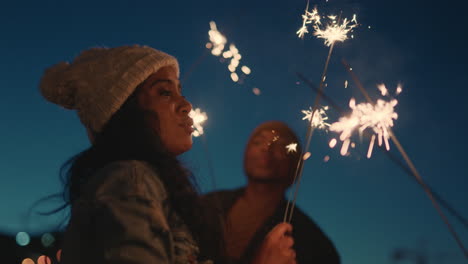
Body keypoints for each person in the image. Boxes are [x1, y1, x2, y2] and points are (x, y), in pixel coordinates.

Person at [39, 45, 296, 264]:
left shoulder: (140, 182)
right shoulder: (130, 180)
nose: (186, 105)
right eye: (165, 92)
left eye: (180, 92)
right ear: (126, 111)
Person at [204, 121, 340, 264]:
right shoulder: (206, 204)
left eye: (281, 145)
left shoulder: (313, 243)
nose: (266, 148)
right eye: (258, 142)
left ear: (294, 165)